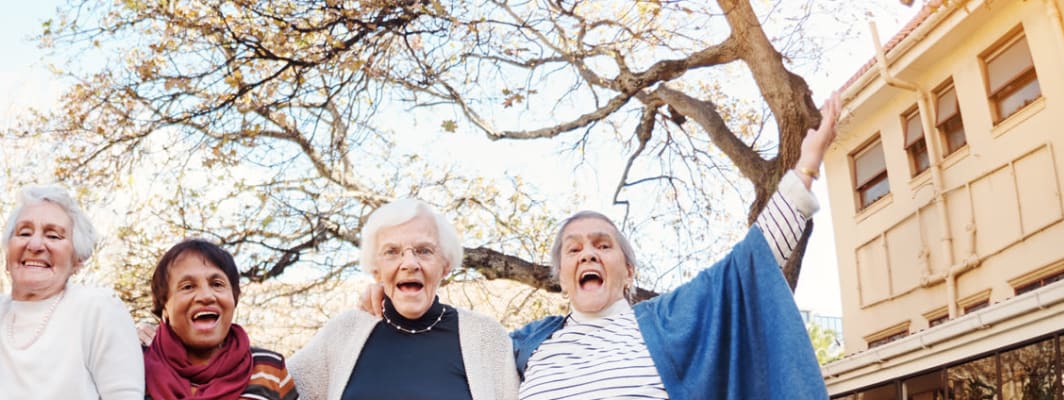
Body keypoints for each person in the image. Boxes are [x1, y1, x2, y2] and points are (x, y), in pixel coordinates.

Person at [502, 97, 843, 399]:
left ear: (629, 271)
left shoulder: (666, 322)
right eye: (573, 250)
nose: (588, 254)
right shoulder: (525, 346)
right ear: (561, 276)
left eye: (603, 245)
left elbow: (748, 267)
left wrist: (808, 165)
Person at [290, 199, 521, 400]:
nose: (410, 263)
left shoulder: (487, 338)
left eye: (424, 251)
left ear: (446, 265)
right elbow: (269, 384)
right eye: (392, 251)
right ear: (375, 269)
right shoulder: (344, 333)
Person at [0, 186, 144, 400]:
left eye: (54, 236)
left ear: (77, 260)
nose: (35, 245)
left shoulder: (97, 307)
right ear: (7, 253)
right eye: (24, 233)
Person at [143, 239, 299, 400]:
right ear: (164, 307)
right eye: (188, 286)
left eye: (217, 284)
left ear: (234, 297)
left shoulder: (269, 368)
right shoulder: (136, 365)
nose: (206, 296)